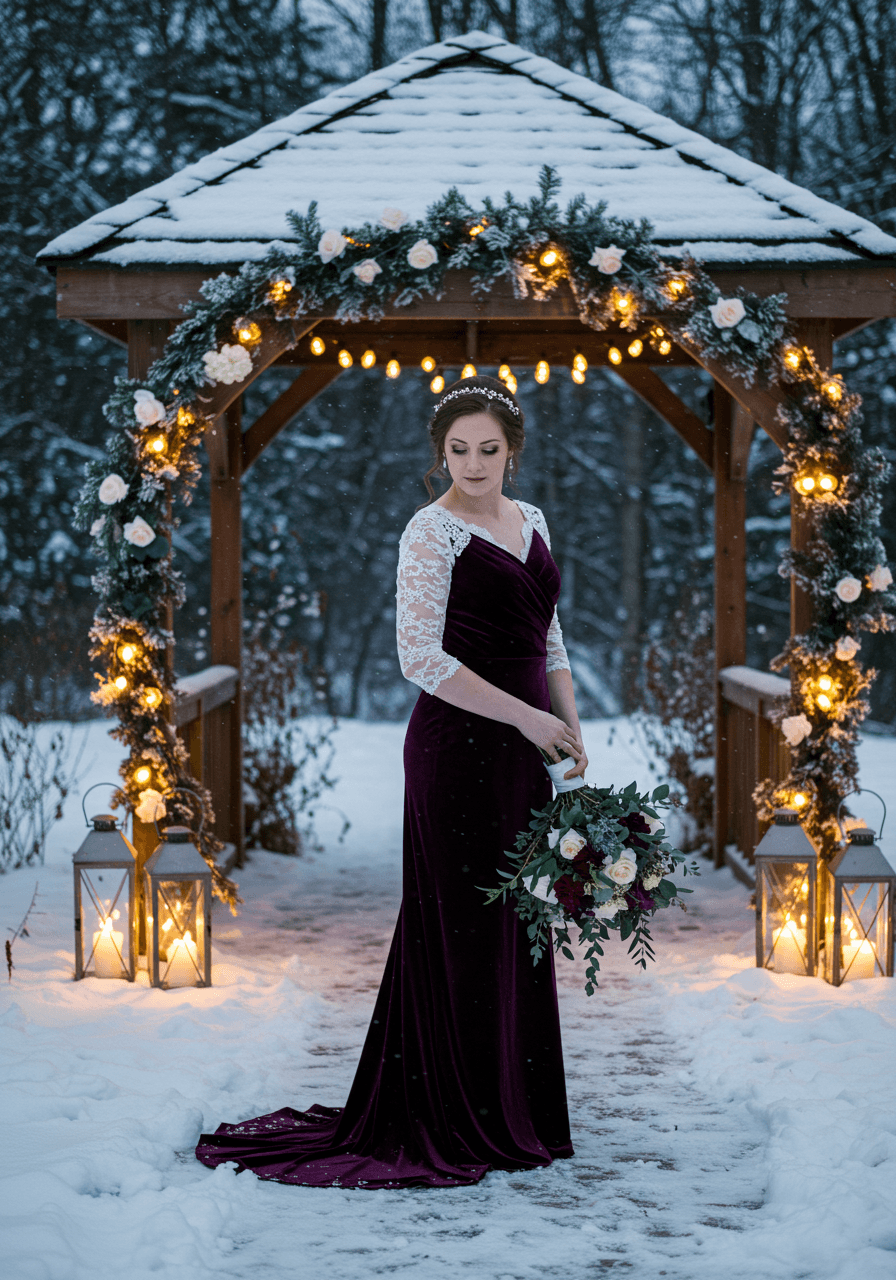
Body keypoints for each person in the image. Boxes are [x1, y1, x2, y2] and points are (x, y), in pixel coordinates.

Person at [195, 374, 588, 1189]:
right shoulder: (429, 531)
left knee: (519, 922)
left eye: (488, 449)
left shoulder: (533, 521)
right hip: (457, 747)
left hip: (525, 751)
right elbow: (421, 659)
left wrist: (568, 728)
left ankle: (515, 1109)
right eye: (457, 450)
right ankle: (452, 1113)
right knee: (459, 927)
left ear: (512, 452)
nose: (473, 464)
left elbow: (550, 641)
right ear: (439, 452)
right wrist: (525, 718)